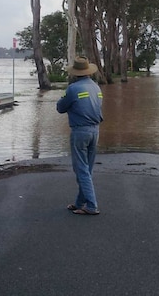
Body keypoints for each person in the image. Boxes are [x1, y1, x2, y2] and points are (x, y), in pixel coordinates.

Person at [57, 56, 104, 215]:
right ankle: (79, 203)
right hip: (95, 130)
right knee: (87, 169)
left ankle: (91, 205)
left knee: (81, 169)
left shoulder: (73, 88)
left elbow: (60, 108)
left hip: (80, 132)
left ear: (75, 73)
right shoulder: (96, 87)